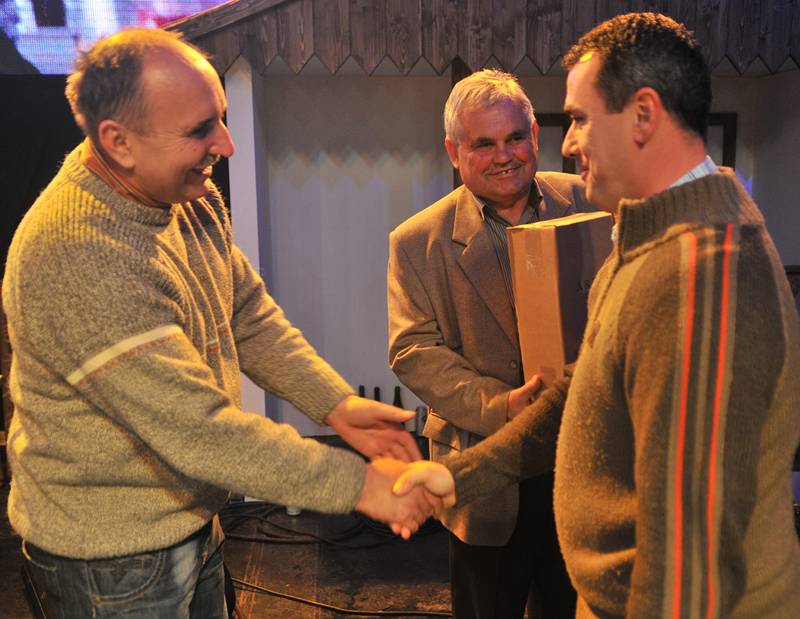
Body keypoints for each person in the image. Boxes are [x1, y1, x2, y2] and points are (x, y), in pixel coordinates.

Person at [3, 28, 436, 619]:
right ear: (119, 142)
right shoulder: (80, 253)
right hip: (110, 559)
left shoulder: (185, 194)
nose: (225, 145)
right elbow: (201, 432)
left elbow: (246, 312)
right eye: (201, 129)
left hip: (189, 520)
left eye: (222, 120)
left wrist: (335, 404)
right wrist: (360, 486)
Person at [395, 12, 800, 618]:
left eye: (580, 118)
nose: (566, 144)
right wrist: (460, 478)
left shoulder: (708, 269)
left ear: (643, 115)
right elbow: (578, 392)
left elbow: (692, 561)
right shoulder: (646, 240)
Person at [387, 68, 588, 618]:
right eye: (483, 144)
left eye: (515, 137)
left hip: (580, 464)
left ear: (535, 136)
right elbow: (413, 350)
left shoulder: (587, 201)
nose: (505, 156)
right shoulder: (416, 241)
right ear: (454, 151)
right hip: (485, 475)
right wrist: (502, 406)